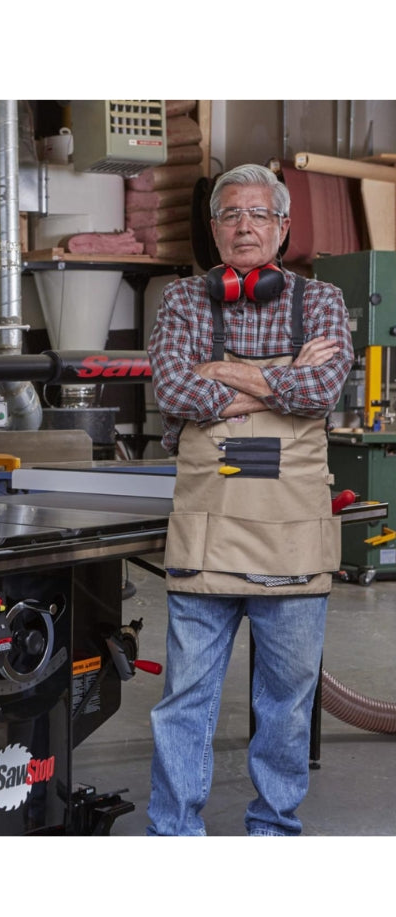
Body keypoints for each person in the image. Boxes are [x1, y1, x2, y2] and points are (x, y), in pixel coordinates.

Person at [145, 163, 354, 836]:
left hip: (292, 536)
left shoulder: (318, 301)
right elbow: (175, 394)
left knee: (287, 704)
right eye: (231, 214)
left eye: (259, 215)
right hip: (207, 531)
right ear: (213, 229)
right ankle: (176, 834)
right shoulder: (182, 302)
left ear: (283, 227)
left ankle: (273, 833)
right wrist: (283, 376)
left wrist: (229, 375)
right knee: (184, 701)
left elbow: (323, 391)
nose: (245, 226)